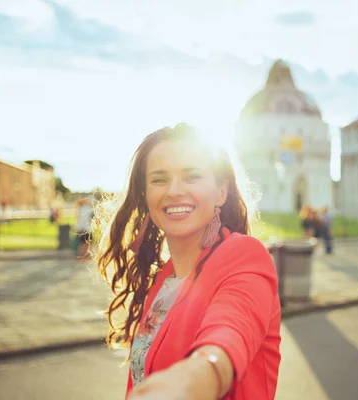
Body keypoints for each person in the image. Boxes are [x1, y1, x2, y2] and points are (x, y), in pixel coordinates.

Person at [95, 124, 281, 400]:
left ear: (221, 192)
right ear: (145, 196)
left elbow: (229, 332)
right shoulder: (163, 280)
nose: (174, 191)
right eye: (159, 180)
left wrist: (197, 380)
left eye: (192, 176)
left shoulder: (244, 255)